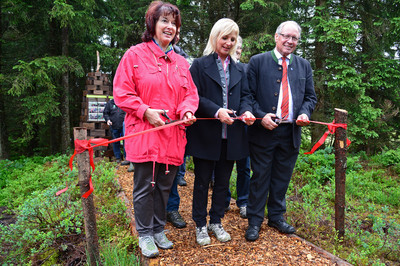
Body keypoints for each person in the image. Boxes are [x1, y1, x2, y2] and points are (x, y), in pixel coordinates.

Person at [113, 1, 199, 258]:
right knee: (144, 186)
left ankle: (159, 228)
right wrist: (145, 111)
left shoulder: (181, 63)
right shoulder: (134, 55)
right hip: (144, 134)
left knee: (164, 185)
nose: (170, 27)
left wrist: (186, 110)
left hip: (173, 136)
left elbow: (190, 95)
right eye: (165, 21)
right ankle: (145, 234)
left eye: (174, 23)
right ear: (152, 25)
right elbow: (122, 93)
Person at [244, 21, 317, 241]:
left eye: (295, 38)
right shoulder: (258, 61)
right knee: (260, 178)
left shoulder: (304, 65)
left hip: (291, 132)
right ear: (276, 37)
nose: (290, 41)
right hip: (264, 131)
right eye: (286, 36)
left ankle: (276, 217)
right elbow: (247, 96)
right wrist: (260, 117)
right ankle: (254, 222)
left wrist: (304, 113)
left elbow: (310, 97)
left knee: (282, 178)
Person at [186, 18, 255, 246]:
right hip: (206, 134)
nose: (228, 42)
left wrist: (245, 112)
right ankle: (200, 224)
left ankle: (216, 220)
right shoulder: (199, 65)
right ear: (215, 37)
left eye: (232, 39)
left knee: (224, 183)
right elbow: (194, 97)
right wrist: (217, 111)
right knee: (202, 181)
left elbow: (246, 96)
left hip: (232, 136)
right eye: (224, 37)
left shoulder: (240, 69)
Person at [224, 35, 251, 219]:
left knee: (244, 167)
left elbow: (249, 95)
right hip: (223, 125)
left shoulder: (246, 69)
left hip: (243, 128)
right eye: (236, 48)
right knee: (223, 168)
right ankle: (223, 200)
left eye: (240, 48)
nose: (238, 51)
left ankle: (243, 201)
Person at [166, 29, 189, 229]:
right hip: (152, 123)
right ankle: (151, 218)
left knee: (173, 168)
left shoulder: (183, 58)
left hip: (178, 123)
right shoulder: (141, 54)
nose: (175, 33)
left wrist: (187, 110)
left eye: (178, 30)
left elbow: (190, 90)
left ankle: (172, 208)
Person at [103, 98, 129, 165]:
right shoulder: (110, 103)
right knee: (115, 142)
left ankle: (127, 158)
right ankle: (118, 158)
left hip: (124, 126)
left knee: (126, 142)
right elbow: (105, 113)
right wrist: (108, 120)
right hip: (114, 125)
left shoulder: (124, 102)